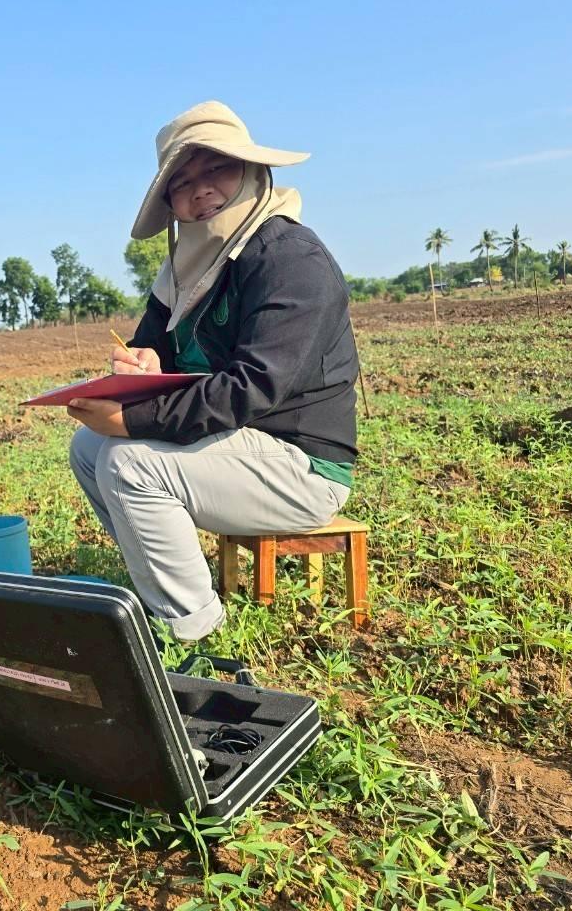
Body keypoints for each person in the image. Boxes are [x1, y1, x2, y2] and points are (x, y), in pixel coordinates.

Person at [67, 101, 358, 641]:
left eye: (217, 169)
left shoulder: (289, 258)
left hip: (300, 464)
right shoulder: (184, 270)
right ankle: (161, 582)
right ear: (171, 202)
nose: (201, 190)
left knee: (131, 460)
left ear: (253, 173)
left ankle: (194, 633)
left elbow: (254, 386)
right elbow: (150, 345)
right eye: (183, 181)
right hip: (232, 444)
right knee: (87, 449)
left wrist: (132, 420)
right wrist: (140, 363)